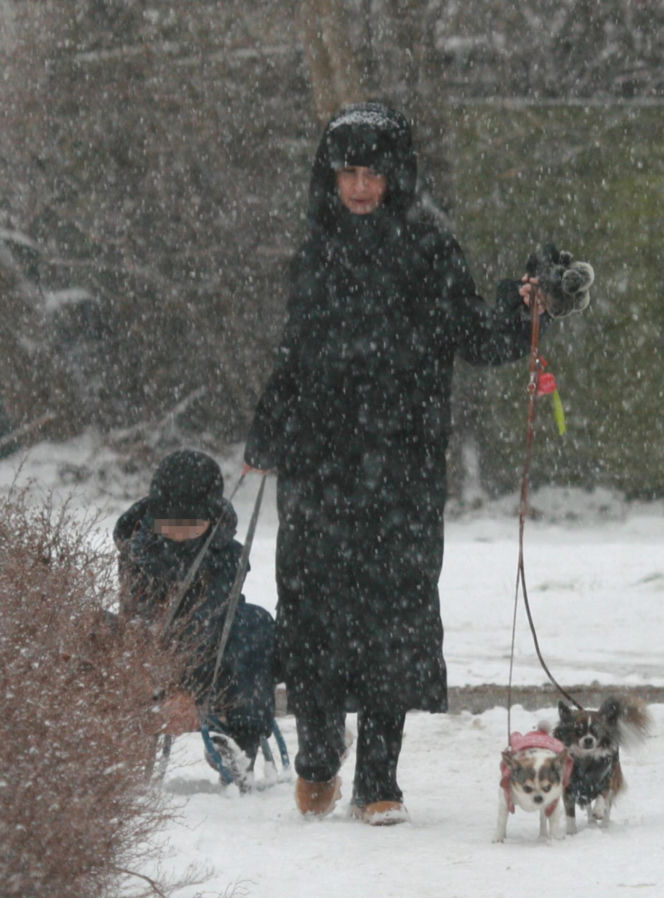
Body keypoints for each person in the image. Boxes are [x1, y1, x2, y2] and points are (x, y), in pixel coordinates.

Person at [242, 101, 559, 824]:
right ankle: (320, 750)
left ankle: (379, 778)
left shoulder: (428, 247)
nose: (360, 187)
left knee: (394, 617)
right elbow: (295, 353)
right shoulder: (317, 246)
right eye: (348, 173)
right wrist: (269, 425)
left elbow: (476, 337)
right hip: (319, 464)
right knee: (314, 609)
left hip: (404, 464)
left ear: (396, 176)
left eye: (373, 173)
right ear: (331, 178)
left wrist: (527, 307)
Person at [114, 449, 276, 785]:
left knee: (254, 624)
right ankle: (106, 746)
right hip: (152, 651)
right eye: (169, 524)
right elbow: (138, 619)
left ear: (212, 518)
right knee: (97, 629)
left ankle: (238, 741)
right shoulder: (138, 550)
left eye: (191, 525)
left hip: (219, 658)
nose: (178, 534)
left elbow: (211, 622)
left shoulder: (227, 556)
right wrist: (163, 683)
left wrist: (189, 690)